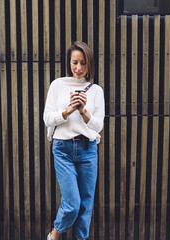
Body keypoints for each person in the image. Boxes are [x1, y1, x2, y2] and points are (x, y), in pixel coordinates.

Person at [43, 41, 105, 240]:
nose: (78, 68)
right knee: (72, 204)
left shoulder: (95, 91)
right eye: (75, 62)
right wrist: (68, 110)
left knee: (86, 204)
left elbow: (98, 126)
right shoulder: (57, 85)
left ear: (90, 65)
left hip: (88, 149)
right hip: (63, 148)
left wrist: (83, 111)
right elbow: (47, 119)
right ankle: (55, 234)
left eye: (83, 63)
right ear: (69, 62)